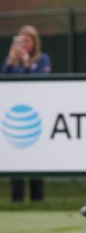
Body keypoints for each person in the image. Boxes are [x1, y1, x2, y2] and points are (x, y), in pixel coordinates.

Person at [2, 25, 51, 202]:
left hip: (36, 115)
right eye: (20, 41)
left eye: (27, 41)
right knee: (17, 157)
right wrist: (10, 60)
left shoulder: (43, 59)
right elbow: (4, 82)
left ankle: (38, 198)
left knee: (35, 159)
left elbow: (41, 81)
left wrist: (28, 63)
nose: (23, 45)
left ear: (34, 42)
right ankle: (17, 199)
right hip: (16, 116)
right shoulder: (12, 62)